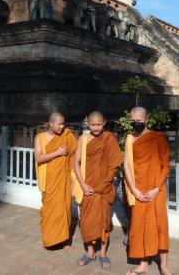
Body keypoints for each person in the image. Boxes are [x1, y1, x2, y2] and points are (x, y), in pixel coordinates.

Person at [123, 107, 171, 275]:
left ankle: (163, 265)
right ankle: (143, 265)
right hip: (139, 190)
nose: (136, 123)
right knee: (140, 226)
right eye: (133, 120)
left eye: (139, 120)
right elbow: (127, 166)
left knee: (159, 226)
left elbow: (165, 165)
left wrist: (157, 188)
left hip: (156, 189)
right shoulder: (129, 139)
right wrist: (134, 190)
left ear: (146, 119)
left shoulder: (157, 138)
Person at [73, 111, 122, 268]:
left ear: (104, 122)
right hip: (87, 187)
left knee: (103, 221)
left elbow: (114, 164)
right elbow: (76, 163)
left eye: (98, 124)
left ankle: (102, 253)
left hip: (104, 188)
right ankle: (90, 252)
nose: (95, 128)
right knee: (86, 220)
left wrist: (105, 183)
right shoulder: (83, 139)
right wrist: (82, 184)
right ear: (87, 123)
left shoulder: (109, 139)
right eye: (92, 124)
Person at [34, 112, 77, 250]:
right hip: (49, 180)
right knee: (50, 210)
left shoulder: (67, 135)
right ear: (51, 123)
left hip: (63, 179)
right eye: (59, 124)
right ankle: (50, 239)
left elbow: (75, 154)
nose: (62, 126)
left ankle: (65, 240)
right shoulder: (40, 138)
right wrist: (57, 153)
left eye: (63, 123)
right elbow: (39, 158)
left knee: (64, 208)